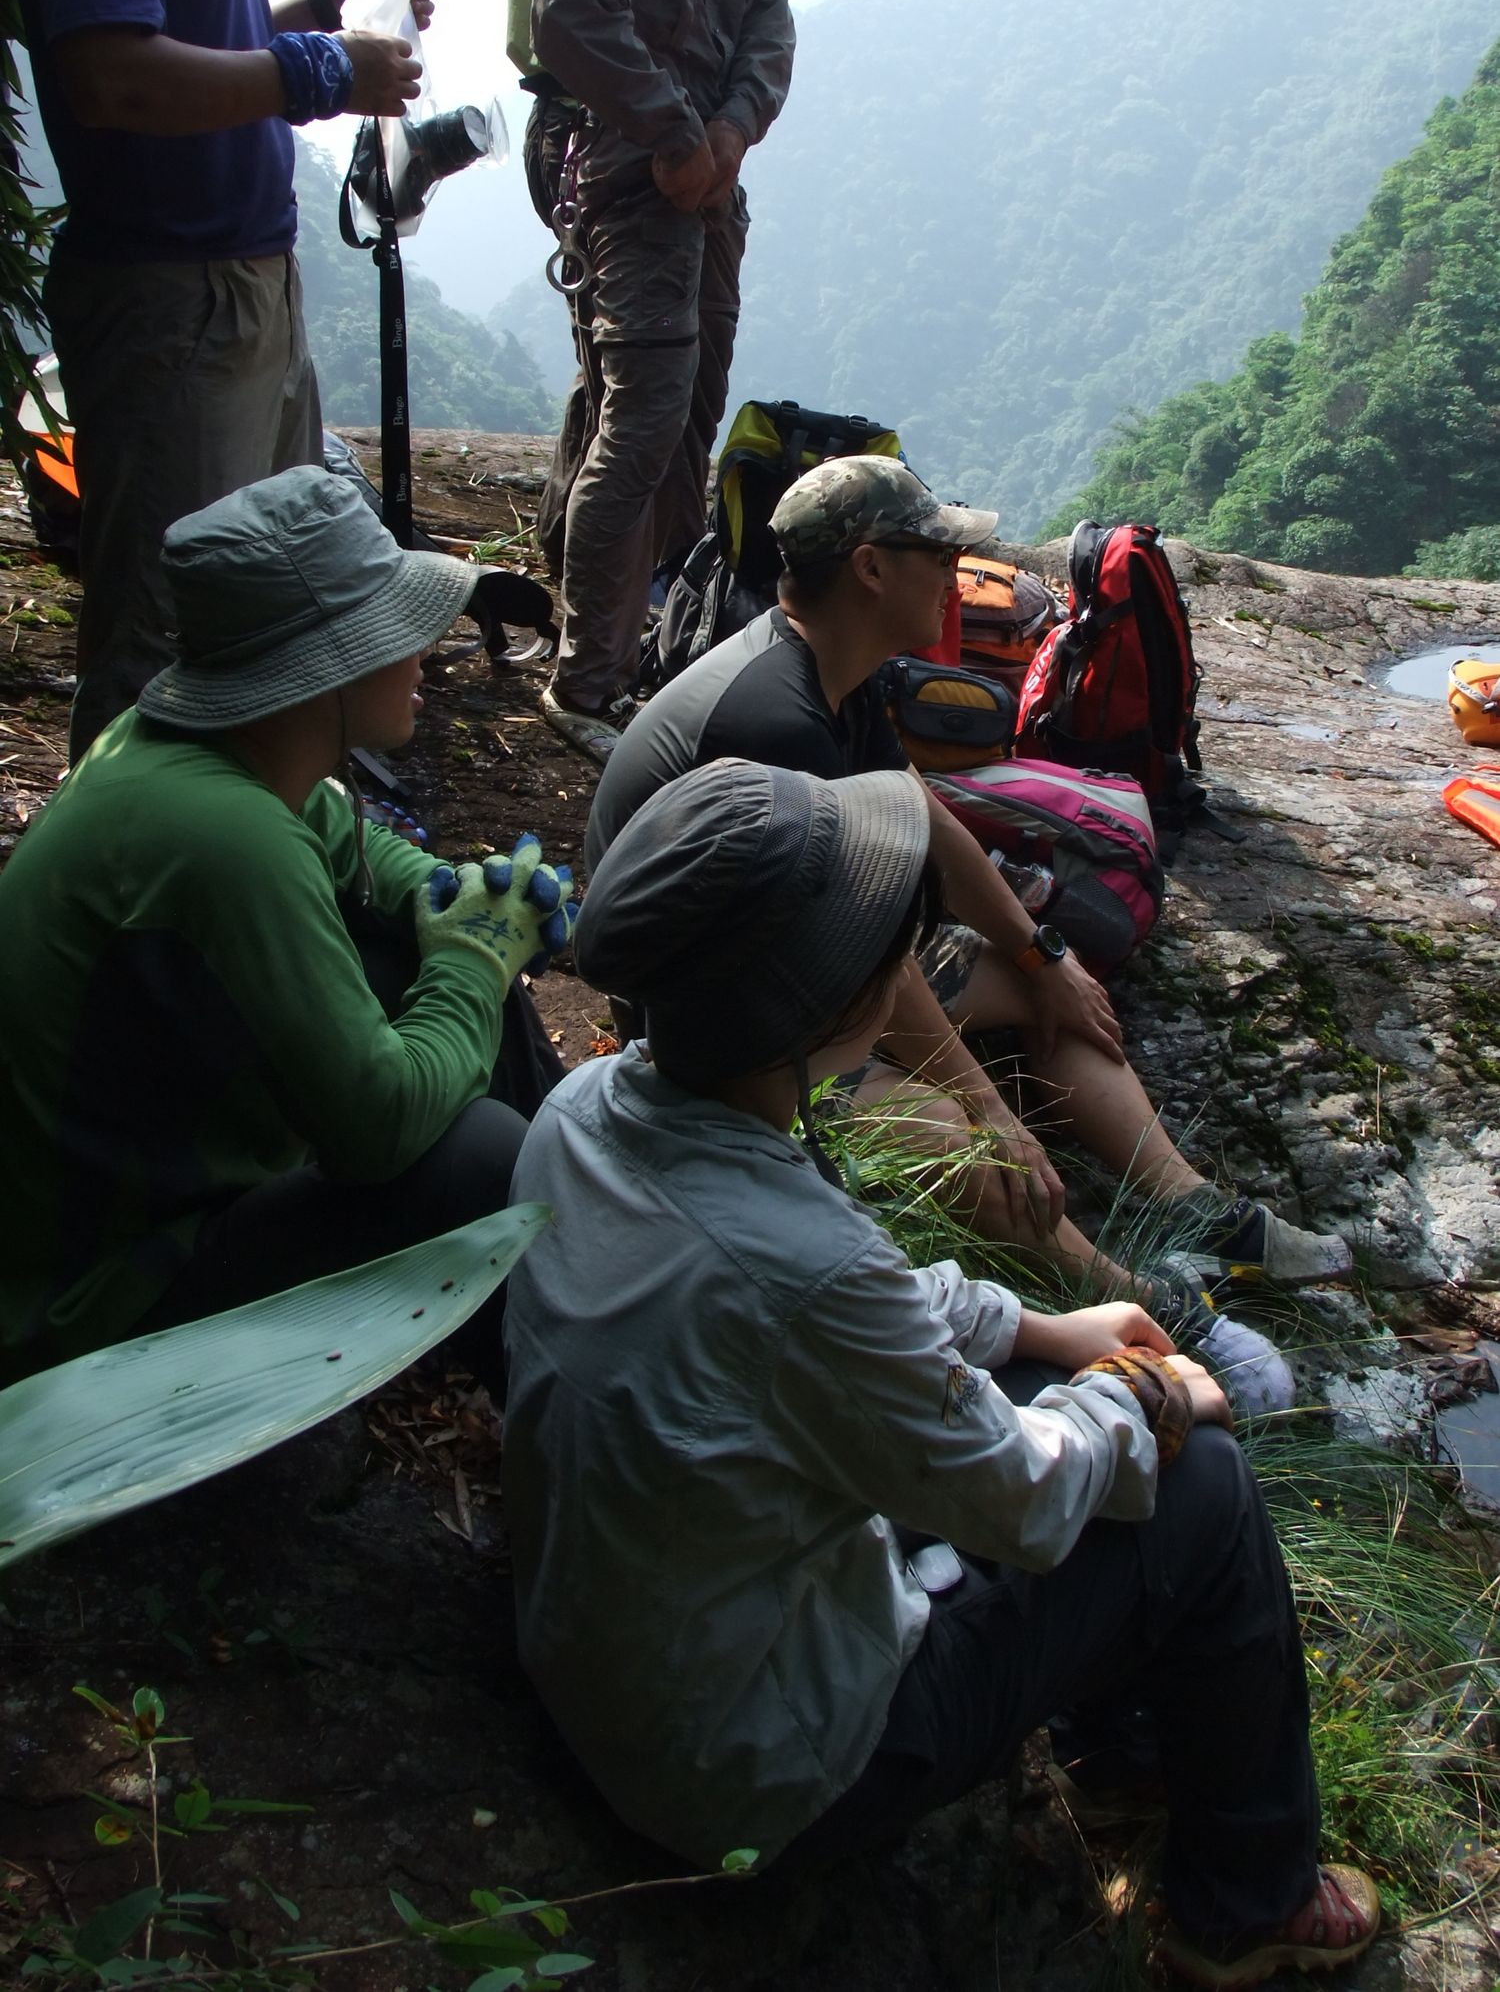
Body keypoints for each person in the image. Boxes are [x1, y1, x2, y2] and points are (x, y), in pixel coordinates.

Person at [503, 758, 1381, 1982]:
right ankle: (1248, 1900)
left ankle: (1128, 1740)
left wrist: (1041, 1330)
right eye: (883, 939)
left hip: (631, 1664)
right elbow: (1017, 1494)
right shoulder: (801, 1263)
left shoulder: (589, 1107)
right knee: (1206, 1489)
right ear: (830, 1002)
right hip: (763, 1771)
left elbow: (834, 1316)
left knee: (1103, 1437)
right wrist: (1145, 1394)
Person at [588, 457, 1352, 1327]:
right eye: (939, 553)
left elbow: (920, 810)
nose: (959, 575)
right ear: (871, 568)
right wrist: (989, 1111)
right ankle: (1147, 1308)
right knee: (958, 1142)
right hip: (715, 1025)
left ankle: (1196, 1209)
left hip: (796, 959)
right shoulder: (772, 718)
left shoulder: (837, 661)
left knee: (1052, 994)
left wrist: (1044, 953)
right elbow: (850, 944)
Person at [11, 0, 435, 762]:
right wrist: (318, 65)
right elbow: (110, 79)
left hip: (239, 287)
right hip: (170, 303)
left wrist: (315, 12)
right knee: (160, 640)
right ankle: (110, 937)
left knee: (268, 623)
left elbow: (180, 24)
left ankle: (227, 899)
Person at [0, 466, 575, 1393]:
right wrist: (476, 952)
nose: (427, 654)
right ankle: (589, 1398)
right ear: (331, 661)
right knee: (475, 1161)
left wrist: (467, 892)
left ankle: (597, 1227)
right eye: (400, 633)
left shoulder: (194, 756)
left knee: (418, 960)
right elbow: (380, 1130)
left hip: (119, 1216)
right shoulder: (226, 838)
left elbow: (354, 854)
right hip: (91, 1308)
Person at [527, 0, 817, 764]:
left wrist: (732, 130)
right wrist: (671, 128)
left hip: (705, 181)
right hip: (630, 176)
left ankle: (649, 634)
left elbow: (772, 10)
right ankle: (583, 684)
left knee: (681, 413)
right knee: (641, 420)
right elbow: (570, 4)